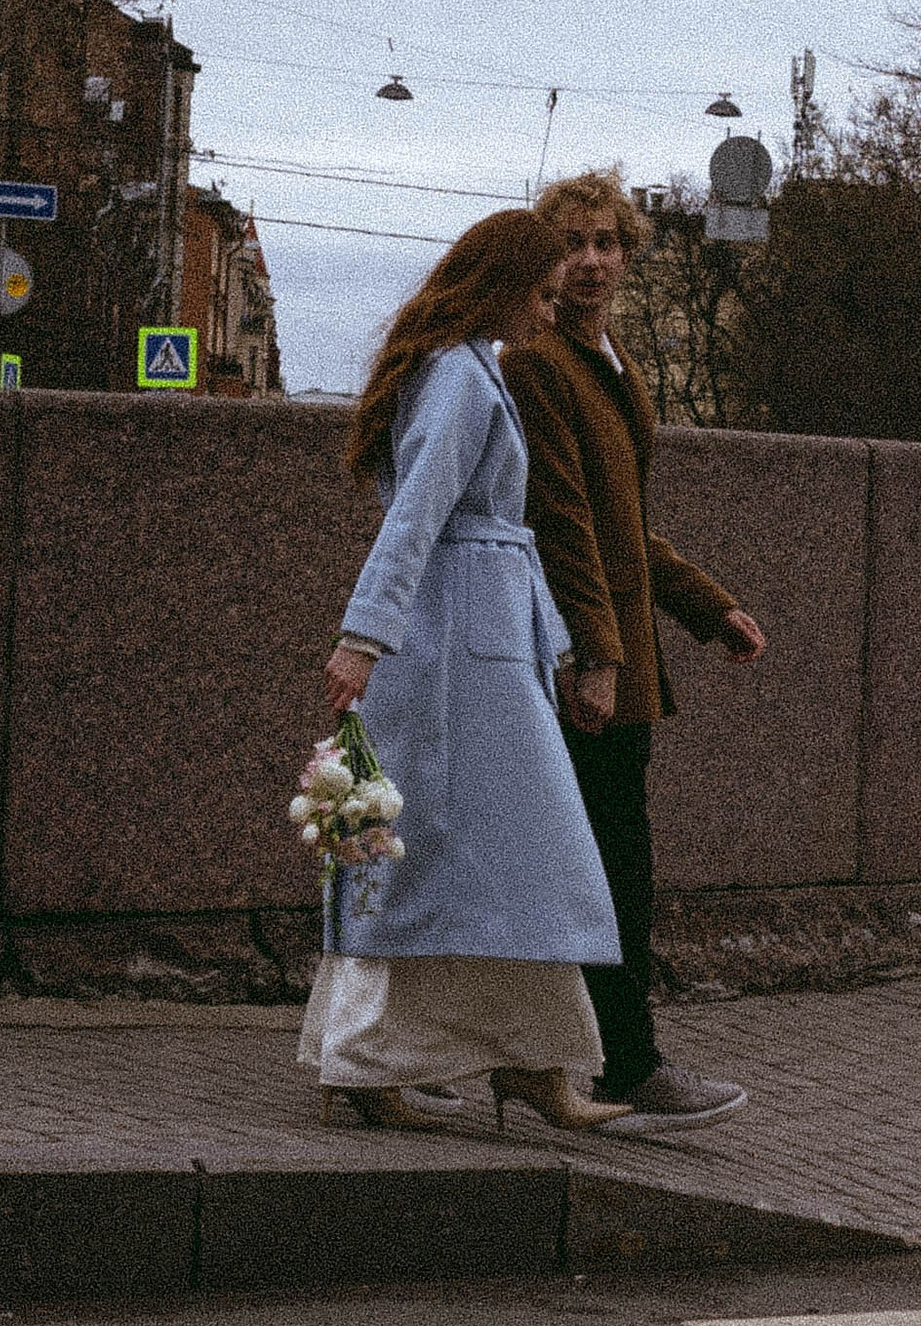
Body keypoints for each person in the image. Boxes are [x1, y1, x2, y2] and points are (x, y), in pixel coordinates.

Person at [301, 207, 626, 1138]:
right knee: (480, 859)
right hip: (453, 661)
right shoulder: (461, 379)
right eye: (539, 294)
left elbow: (502, 541)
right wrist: (362, 638)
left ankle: (508, 1065)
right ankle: (421, 1064)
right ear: (503, 288)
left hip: (475, 647)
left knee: (500, 863)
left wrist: (559, 642)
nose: (546, 312)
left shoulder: (467, 371)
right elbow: (418, 522)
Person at [508, 170, 765, 1120]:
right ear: (547, 258)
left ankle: (596, 1060)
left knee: (615, 863)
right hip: (586, 663)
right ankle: (622, 1064)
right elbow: (563, 520)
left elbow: (627, 526)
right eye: (571, 244)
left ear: (628, 253)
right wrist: (599, 657)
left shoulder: (608, 358)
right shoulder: (538, 361)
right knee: (603, 867)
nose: (590, 261)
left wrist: (707, 606)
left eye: (607, 243)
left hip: (619, 654)